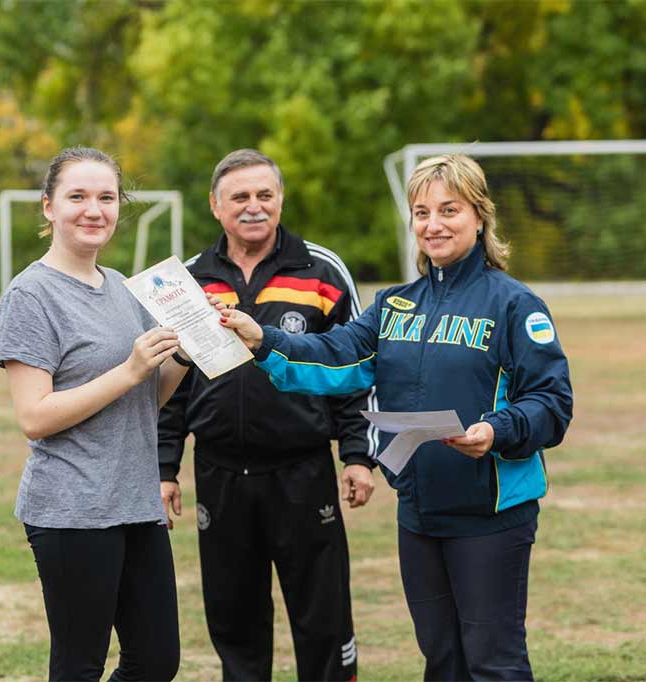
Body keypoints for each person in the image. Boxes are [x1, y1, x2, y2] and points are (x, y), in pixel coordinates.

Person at [217, 154, 573, 681]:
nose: (433, 224)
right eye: (422, 212)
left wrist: (496, 431)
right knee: (442, 658)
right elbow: (333, 355)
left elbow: (552, 402)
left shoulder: (516, 305)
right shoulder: (394, 305)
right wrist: (264, 338)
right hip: (419, 513)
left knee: (493, 662)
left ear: (479, 215)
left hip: (490, 515)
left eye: (449, 209)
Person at [157, 149, 377, 681]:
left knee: (321, 615)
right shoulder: (187, 280)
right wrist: (164, 467)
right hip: (220, 473)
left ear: (280, 200)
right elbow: (169, 381)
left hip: (302, 472)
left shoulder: (322, 270)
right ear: (215, 205)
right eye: (240, 197)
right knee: (234, 620)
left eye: (265, 195)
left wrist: (357, 455)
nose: (253, 207)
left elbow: (352, 365)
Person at [0, 147, 189, 681]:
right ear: (49, 206)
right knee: (80, 666)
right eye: (77, 196)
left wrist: (187, 357)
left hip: (135, 502)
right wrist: (129, 369)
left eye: (106, 197)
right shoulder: (30, 296)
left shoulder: (127, 288)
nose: (93, 209)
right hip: (72, 508)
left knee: (155, 661)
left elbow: (147, 400)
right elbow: (34, 416)